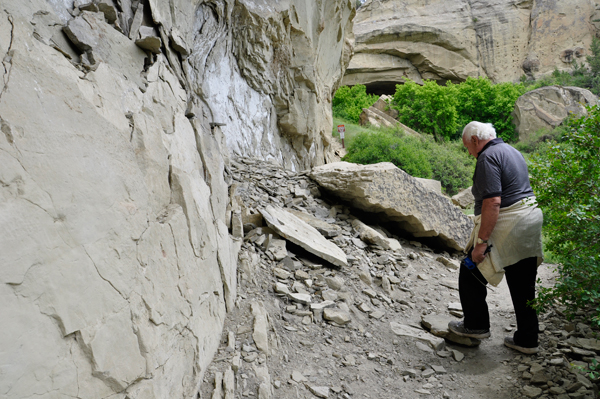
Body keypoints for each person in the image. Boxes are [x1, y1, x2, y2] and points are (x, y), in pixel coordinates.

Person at [448, 121, 544, 355]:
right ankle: (527, 339)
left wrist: (480, 244)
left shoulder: (487, 157)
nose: (468, 152)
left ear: (474, 140)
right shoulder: (512, 150)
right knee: (522, 281)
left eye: (467, 147)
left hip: (511, 221)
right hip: (530, 219)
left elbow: (493, 202)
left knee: (471, 269)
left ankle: (475, 325)